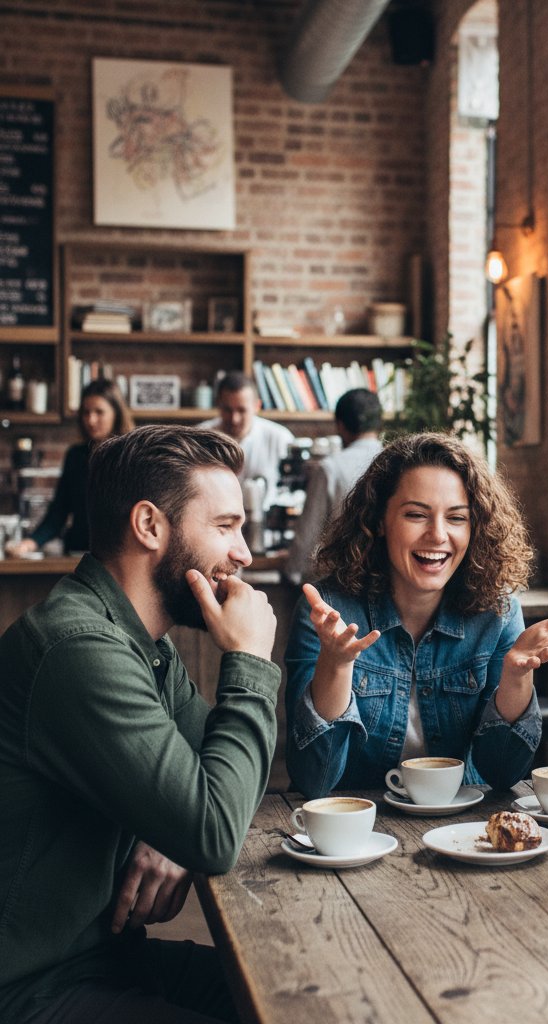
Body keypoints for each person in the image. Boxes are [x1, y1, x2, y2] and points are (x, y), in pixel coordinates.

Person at [0, 425, 280, 1022]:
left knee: (304, 995)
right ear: (150, 525)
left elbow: (218, 786)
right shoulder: (79, 649)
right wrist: (251, 661)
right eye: (226, 526)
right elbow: (215, 830)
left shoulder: (139, 640)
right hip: (31, 991)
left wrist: (170, 826)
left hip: (104, 960)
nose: (245, 553)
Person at [285, 431, 548, 796]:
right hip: (358, 827)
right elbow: (315, 778)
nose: (438, 535)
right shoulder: (327, 612)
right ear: (378, 520)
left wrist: (516, 679)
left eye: (456, 518)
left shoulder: (498, 614)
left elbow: (501, 774)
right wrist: (336, 667)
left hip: (463, 829)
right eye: (416, 515)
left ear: (476, 528)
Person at [8, 378, 134, 557]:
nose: (91, 420)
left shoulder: (131, 456)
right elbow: (58, 511)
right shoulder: (75, 456)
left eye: (99, 412)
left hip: (120, 557)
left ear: (116, 413)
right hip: (78, 554)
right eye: (86, 412)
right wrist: (29, 543)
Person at [284, 388, 383, 586]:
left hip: (340, 581)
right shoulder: (398, 463)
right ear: (379, 424)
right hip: (384, 579)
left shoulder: (330, 468)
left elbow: (309, 531)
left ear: (340, 425)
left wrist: (292, 573)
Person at [200, 371, 293, 503]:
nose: (234, 419)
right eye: (227, 410)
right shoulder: (200, 437)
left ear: (257, 406)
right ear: (218, 405)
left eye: (241, 410)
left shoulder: (280, 438)